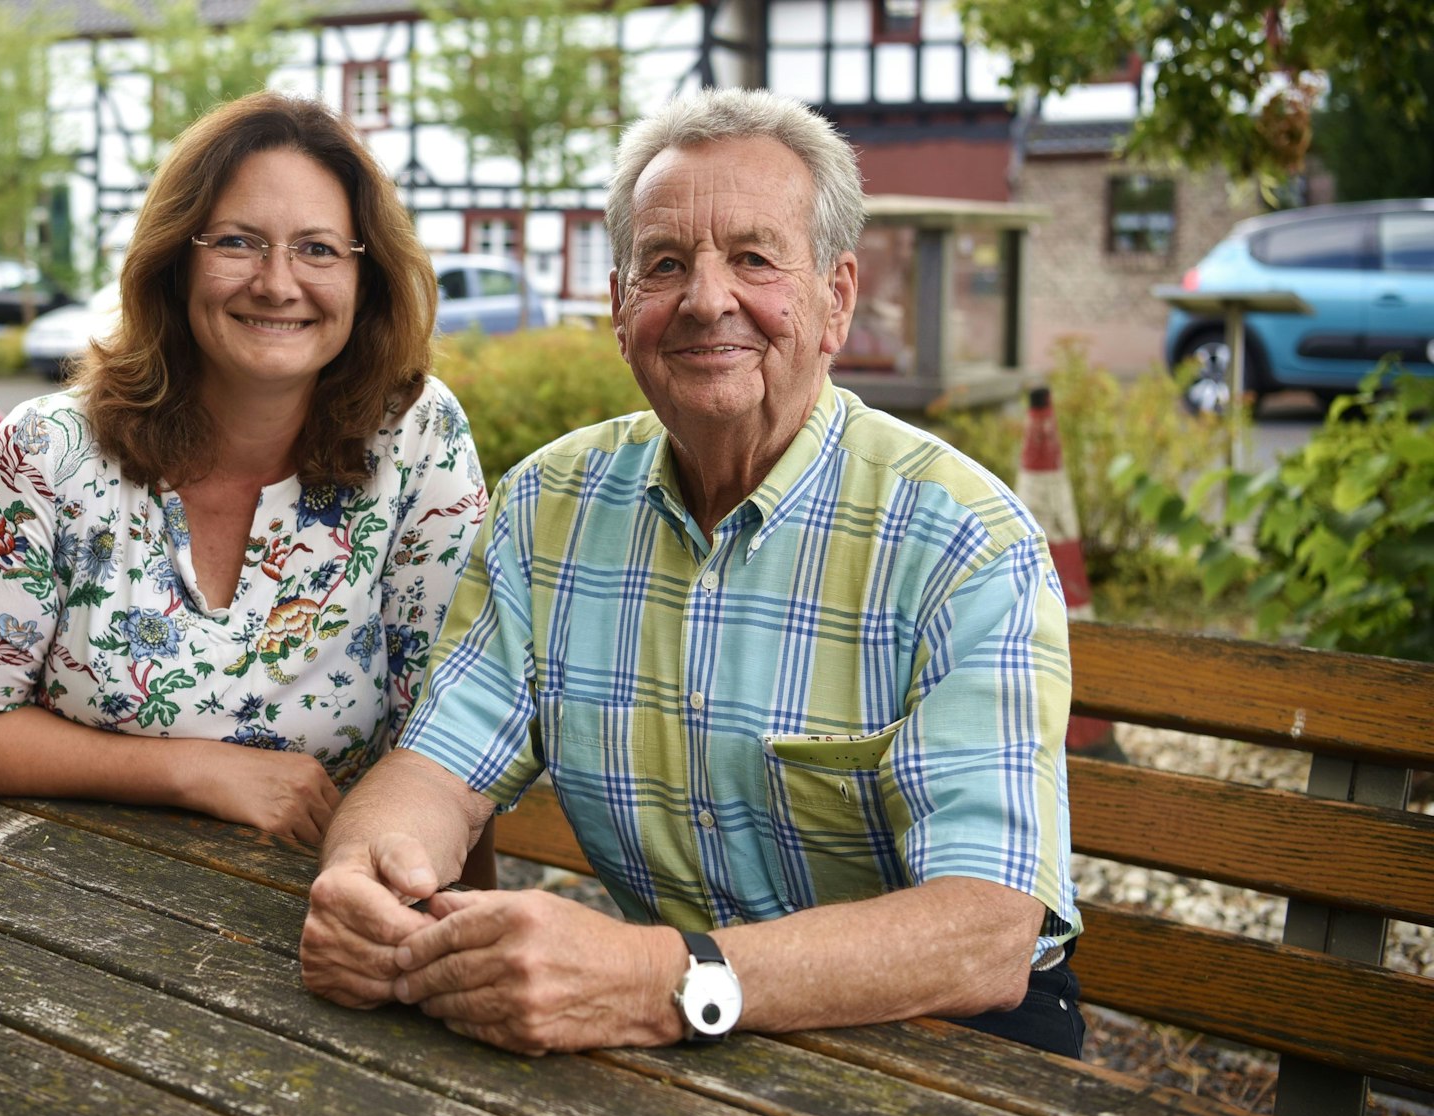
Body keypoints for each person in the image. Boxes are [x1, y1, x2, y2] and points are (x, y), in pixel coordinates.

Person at [299, 86, 1083, 1058]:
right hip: (686, 1029)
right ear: (620, 306)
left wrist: (656, 979)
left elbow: (985, 931)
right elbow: (433, 770)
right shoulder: (550, 503)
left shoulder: (960, 538)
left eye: (753, 258)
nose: (707, 300)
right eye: (665, 264)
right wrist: (369, 880)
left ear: (834, 299)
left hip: (943, 1038)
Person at [0, 92, 492, 879]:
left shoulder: (416, 435)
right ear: (178, 258)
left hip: (319, 901)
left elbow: (453, 728)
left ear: (366, 275)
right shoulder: (46, 453)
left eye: (317, 248)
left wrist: (455, 922)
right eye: (240, 242)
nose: (278, 283)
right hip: (60, 893)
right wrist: (196, 768)